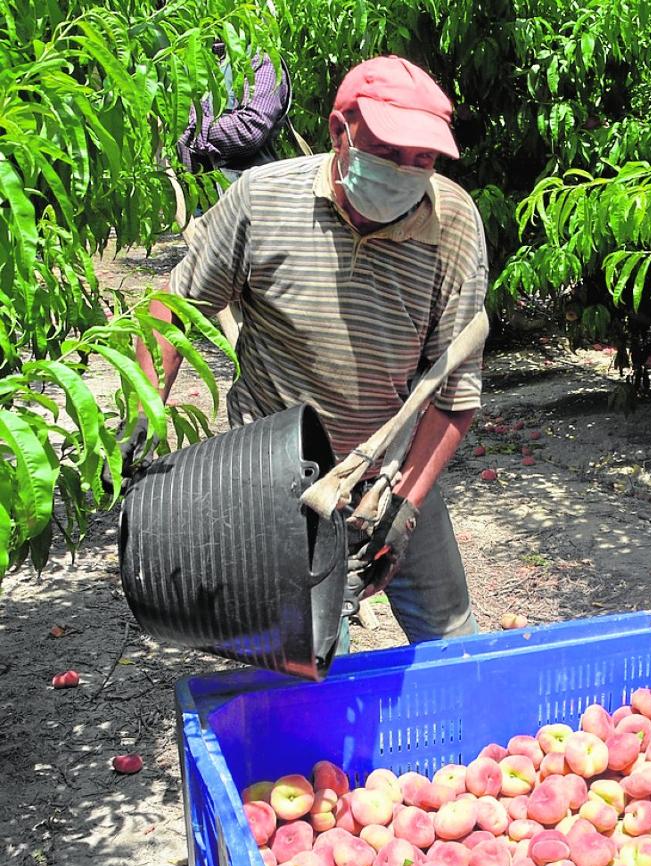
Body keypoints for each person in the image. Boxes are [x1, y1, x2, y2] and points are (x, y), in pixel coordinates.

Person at [131, 55, 488, 648]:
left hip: (389, 467)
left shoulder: (451, 222)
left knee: (453, 639)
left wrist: (405, 506)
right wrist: (143, 411)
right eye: (387, 151)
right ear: (338, 132)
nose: (405, 171)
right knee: (311, 653)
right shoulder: (263, 200)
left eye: (421, 159)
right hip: (276, 477)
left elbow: (455, 394)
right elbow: (176, 307)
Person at [175, 44, 292, 183]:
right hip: (190, 190)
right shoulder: (184, 56)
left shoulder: (260, 60)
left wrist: (182, 130)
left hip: (244, 191)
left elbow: (249, 129)